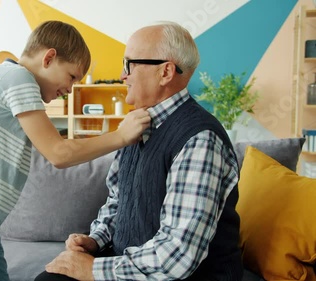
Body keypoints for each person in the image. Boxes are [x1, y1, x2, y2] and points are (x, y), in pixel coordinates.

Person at [0, 20, 151, 281]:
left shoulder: (8, 78)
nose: (70, 89)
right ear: (49, 57)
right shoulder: (18, 78)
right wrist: (121, 136)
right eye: (72, 76)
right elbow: (59, 153)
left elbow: (56, 145)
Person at [37, 21, 243, 281]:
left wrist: (91, 269)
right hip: (134, 266)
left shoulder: (200, 139)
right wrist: (96, 241)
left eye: (129, 64)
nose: (123, 75)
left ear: (166, 72)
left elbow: (176, 256)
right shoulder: (136, 126)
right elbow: (118, 201)